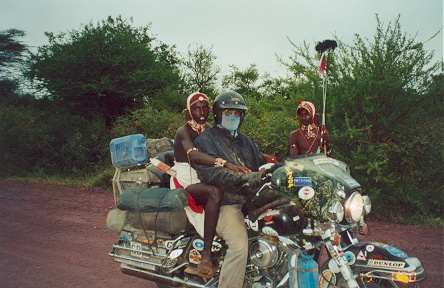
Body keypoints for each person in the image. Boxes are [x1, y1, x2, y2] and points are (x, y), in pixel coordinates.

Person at [170, 92, 250, 278]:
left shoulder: (208, 129)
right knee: (216, 192)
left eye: (205, 107)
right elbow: (194, 155)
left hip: (202, 176)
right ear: (188, 111)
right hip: (186, 180)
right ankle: (205, 256)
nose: (201, 112)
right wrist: (224, 163)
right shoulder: (184, 131)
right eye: (196, 108)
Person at [193, 91, 268, 288]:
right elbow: (208, 173)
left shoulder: (246, 141)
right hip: (228, 202)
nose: (233, 116)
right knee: (239, 247)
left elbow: (260, 166)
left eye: (237, 113)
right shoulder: (206, 140)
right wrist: (241, 177)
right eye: (228, 112)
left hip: (252, 200)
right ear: (218, 113)